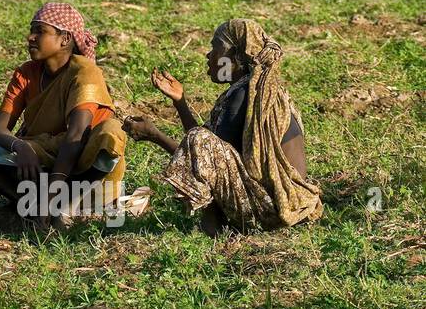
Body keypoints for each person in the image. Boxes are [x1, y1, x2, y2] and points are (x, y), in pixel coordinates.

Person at [124, 18, 321, 234]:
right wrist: (179, 101)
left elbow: (203, 159)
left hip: (270, 211)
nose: (209, 56)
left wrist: (154, 135)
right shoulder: (264, 91)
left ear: (234, 57)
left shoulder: (243, 94)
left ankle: (214, 228)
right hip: (292, 204)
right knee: (200, 138)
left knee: (199, 138)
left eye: (215, 49)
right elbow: (209, 152)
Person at [0, 3, 127, 221]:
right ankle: (35, 207)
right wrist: (21, 147)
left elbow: (75, 136)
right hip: (37, 162)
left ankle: (64, 205)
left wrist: (52, 192)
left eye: (40, 31)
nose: (30, 37)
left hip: (81, 172)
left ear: (65, 39)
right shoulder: (26, 73)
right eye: (32, 30)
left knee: (111, 132)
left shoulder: (84, 72)